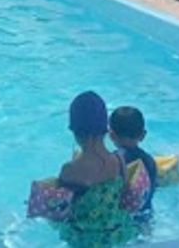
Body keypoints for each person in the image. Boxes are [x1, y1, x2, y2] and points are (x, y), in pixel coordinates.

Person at [57, 91, 137, 248]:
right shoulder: (118, 161)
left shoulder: (69, 170)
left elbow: (61, 211)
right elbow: (124, 196)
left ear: (75, 131)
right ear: (105, 129)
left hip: (82, 241)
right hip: (114, 237)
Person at [109, 106, 157, 213]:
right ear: (143, 135)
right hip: (145, 215)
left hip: (121, 218)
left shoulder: (113, 161)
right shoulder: (149, 161)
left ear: (111, 135)